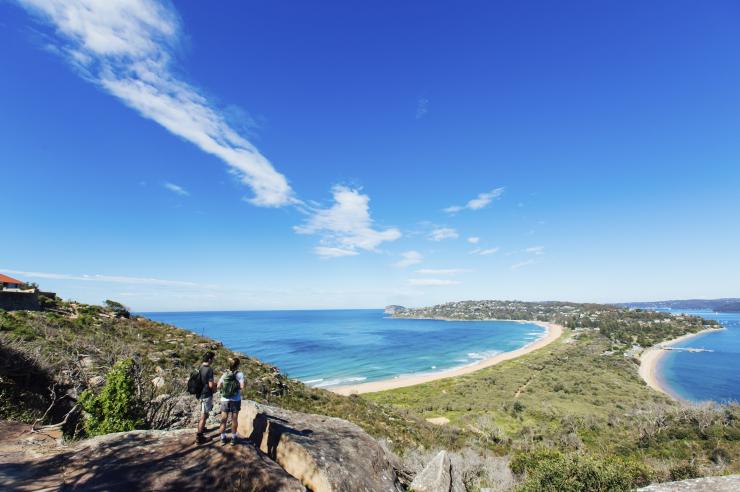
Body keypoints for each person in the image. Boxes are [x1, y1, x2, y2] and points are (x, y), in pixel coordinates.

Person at [217, 357, 245, 445]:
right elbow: (242, 387)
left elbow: (218, 386)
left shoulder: (225, 374)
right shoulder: (240, 374)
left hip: (224, 399)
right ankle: (233, 438)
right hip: (235, 399)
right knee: (234, 419)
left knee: (224, 419)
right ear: (238, 365)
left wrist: (225, 389)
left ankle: (222, 438)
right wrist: (235, 388)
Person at [196, 351, 216, 444]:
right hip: (206, 394)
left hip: (200, 393)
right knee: (203, 416)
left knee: (205, 413)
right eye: (213, 358)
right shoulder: (209, 369)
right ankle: (200, 437)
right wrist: (215, 388)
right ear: (209, 359)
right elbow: (211, 385)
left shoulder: (200, 367)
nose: (213, 360)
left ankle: (202, 428)